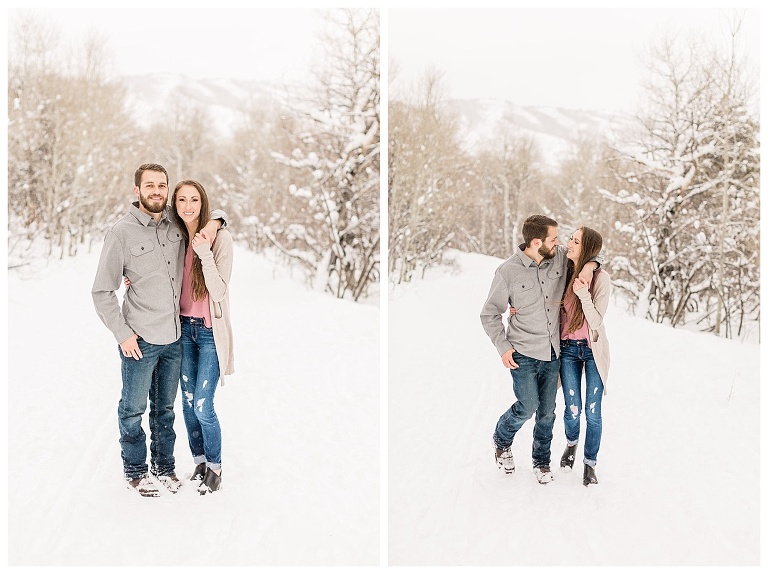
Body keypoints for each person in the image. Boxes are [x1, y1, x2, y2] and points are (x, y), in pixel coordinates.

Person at [92, 163, 226, 497]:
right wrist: (122, 333)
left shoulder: (175, 225)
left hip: (174, 337)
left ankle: (163, 468)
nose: (156, 191)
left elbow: (212, 211)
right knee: (133, 409)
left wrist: (214, 223)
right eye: (149, 185)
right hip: (138, 338)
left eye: (161, 186)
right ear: (136, 191)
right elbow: (101, 291)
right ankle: (135, 471)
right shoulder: (121, 233)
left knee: (165, 410)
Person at [480, 215, 597, 484]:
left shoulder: (558, 258)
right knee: (528, 406)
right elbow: (489, 314)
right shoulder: (507, 272)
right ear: (537, 242)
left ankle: (541, 462)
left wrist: (590, 266)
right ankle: (502, 438)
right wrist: (503, 347)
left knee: (547, 412)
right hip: (522, 352)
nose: (560, 243)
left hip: (553, 351)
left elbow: (589, 251)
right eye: (554, 239)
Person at [172, 179, 234, 494]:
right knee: (186, 401)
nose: (187, 206)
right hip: (182, 331)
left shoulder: (220, 239)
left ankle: (215, 466)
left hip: (209, 333)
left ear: (203, 202)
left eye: (193, 199)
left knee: (202, 405)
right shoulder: (173, 237)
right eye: (181, 199)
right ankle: (199, 461)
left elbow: (220, 290)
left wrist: (203, 252)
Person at [557, 227, 611, 486]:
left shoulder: (601, 280)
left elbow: (596, 321)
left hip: (592, 351)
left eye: (575, 241)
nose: (569, 243)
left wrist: (583, 294)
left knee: (593, 411)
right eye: (570, 238)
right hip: (567, 349)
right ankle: (571, 444)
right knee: (572, 409)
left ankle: (590, 464)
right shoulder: (564, 271)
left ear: (587, 248)